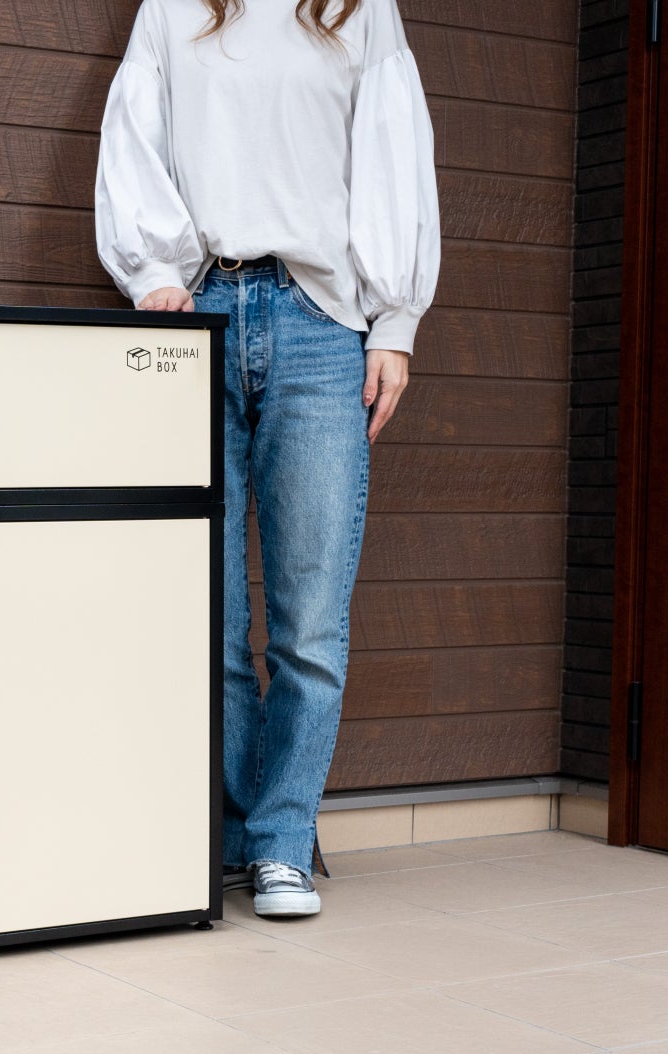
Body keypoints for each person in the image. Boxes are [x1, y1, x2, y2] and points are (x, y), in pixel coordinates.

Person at [96, 0, 439, 917]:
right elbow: (135, 136)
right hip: (197, 313)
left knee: (309, 622)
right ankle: (242, 834)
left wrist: (394, 322)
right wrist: (153, 273)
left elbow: (393, 152)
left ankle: (282, 842)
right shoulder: (171, 8)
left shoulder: (360, 10)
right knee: (206, 613)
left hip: (322, 326)